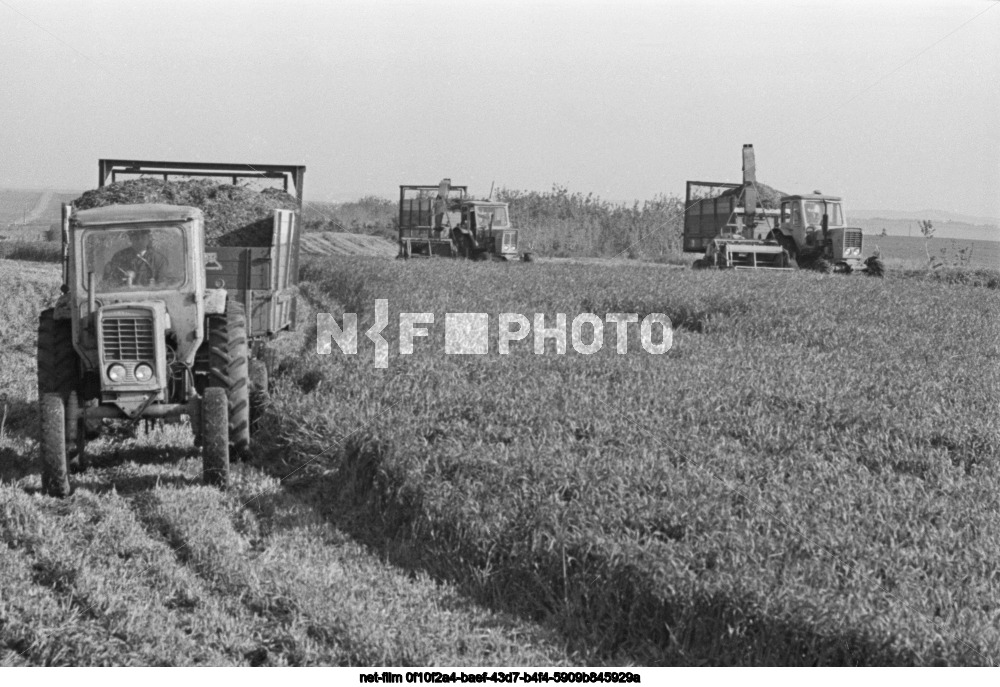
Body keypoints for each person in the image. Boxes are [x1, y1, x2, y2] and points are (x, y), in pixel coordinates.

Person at [103, 229, 168, 287]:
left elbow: (162, 284)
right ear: (131, 239)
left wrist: (153, 286)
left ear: (148, 238)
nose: (139, 241)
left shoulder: (159, 260)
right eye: (136, 238)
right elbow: (110, 282)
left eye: (143, 237)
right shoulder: (119, 257)